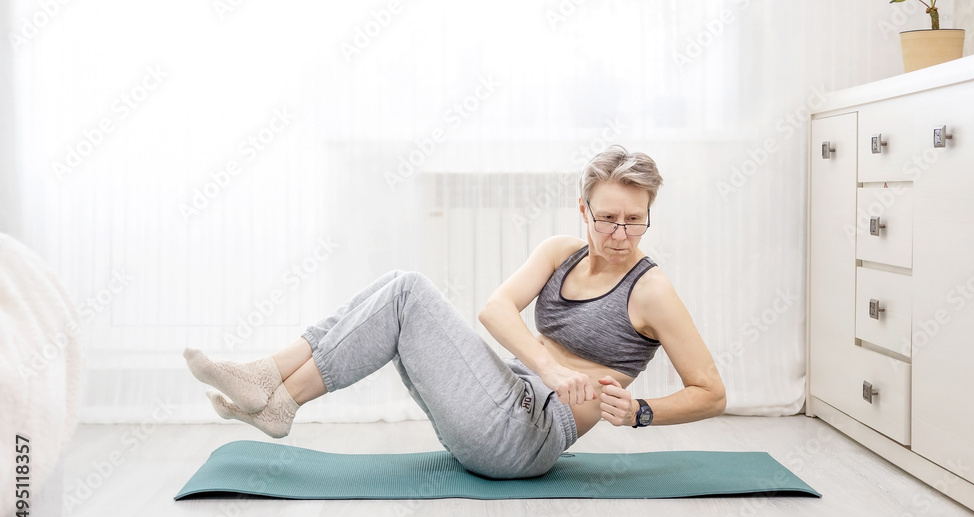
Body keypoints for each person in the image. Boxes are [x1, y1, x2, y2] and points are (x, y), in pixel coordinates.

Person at [184, 145, 726, 479]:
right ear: (583, 211)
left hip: (528, 434)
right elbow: (495, 311)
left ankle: (270, 382)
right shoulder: (562, 252)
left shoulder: (650, 289)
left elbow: (711, 392)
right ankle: (275, 395)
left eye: (635, 220)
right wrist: (553, 369)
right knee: (398, 288)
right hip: (501, 400)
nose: (620, 234)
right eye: (607, 218)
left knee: (406, 292)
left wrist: (642, 412)